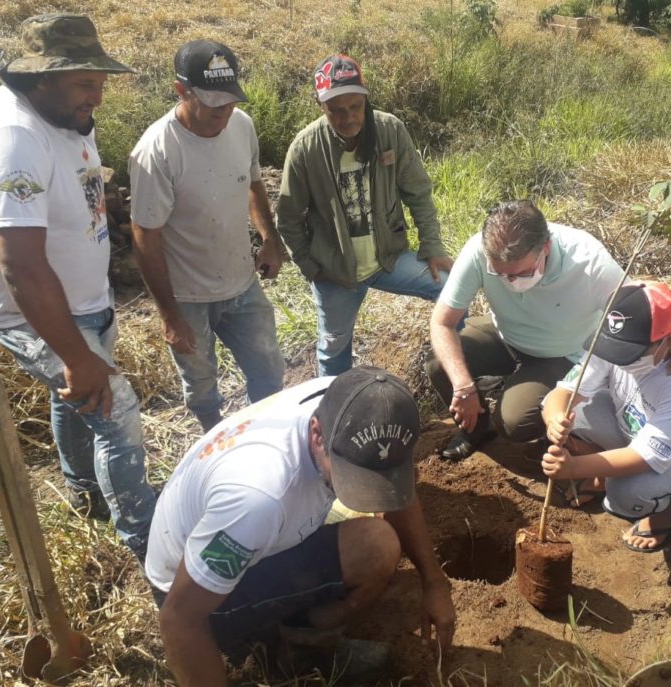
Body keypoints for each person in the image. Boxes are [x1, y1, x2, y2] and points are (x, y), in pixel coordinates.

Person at [0, 13, 155, 561]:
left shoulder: (59, 115)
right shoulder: (14, 135)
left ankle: (85, 494)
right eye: (85, 83)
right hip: (37, 315)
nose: (98, 95)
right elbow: (19, 264)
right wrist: (75, 354)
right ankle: (149, 542)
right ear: (41, 77)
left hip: (83, 305)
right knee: (116, 410)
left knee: (75, 403)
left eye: (100, 82)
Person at [145, 366, 456, 684]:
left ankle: (304, 637)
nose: (368, 495)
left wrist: (434, 581)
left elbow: (395, 491)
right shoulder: (257, 499)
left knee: (377, 545)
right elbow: (178, 620)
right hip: (202, 597)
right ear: (317, 434)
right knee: (369, 546)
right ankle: (285, 652)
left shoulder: (353, 402)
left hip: (251, 537)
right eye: (354, 479)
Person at [427, 200, 671, 461]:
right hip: (506, 334)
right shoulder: (478, 250)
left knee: (515, 421)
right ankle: (477, 430)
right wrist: (464, 388)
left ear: (546, 248)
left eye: (521, 273)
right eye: (500, 275)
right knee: (441, 365)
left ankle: (536, 421)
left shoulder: (587, 261)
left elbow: (636, 306)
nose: (510, 282)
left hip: (562, 353)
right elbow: (442, 322)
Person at [129, 40, 285, 432]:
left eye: (231, 101)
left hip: (240, 282)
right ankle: (211, 433)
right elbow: (145, 237)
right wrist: (169, 314)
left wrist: (269, 238)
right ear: (183, 91)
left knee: (268, 366)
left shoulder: (241, 127)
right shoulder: (157, 151)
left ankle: (266, 433)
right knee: (200, 383)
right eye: (214, 103)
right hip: (187, 297)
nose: (225, 112)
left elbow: (252, 184)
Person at [276, 54, 454, 377]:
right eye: (336, 111)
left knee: (452, 287)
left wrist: (432, 244)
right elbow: (287, 219)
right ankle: (336, 408)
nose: (348, 118)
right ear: (321, 106)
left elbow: (418, 191)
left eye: (355, 107)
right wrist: (311, 267)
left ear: (365, 98)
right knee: (333, 350)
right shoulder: (305, 150)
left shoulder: (389, 131)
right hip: (335, 271)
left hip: (388, 257)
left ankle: (456, 369)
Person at [540, 282, 671, 552]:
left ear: (669, 342)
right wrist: (555, 419)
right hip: (631, 425)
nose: (618, 361)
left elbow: (645, 456)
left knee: (624, 493)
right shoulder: (611, 343)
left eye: (630, 355)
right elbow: (564, 393)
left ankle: (667, 510)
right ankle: (603, 473)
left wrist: (574, 467)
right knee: (563, 408)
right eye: (613, 350)